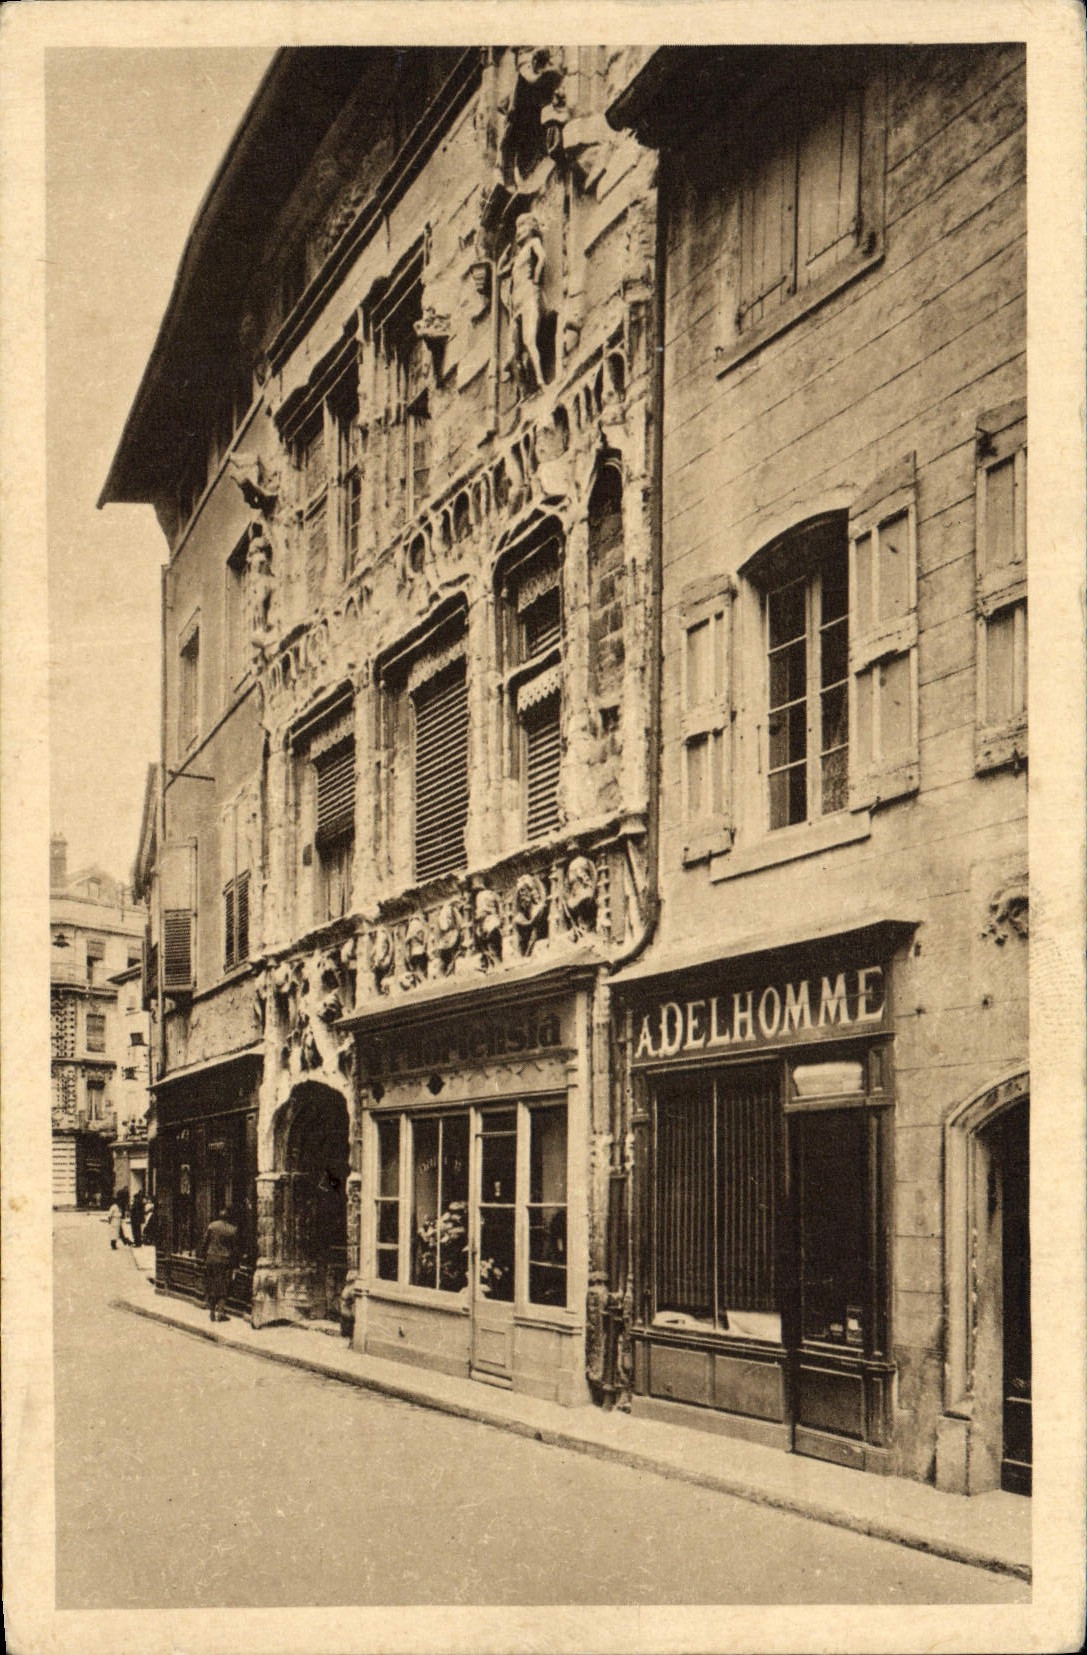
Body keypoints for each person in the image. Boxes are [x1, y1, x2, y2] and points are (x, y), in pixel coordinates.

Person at [198, 1207, 239, 1323]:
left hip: (211, 1259)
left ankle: (211, 1311)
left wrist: (202, 1256)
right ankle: (220, 1312)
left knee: (212, 1285)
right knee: (223, 1286)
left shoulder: (211, 1226)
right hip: (224, 1261)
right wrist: (236, 1263)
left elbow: (205, 1242)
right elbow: (234, 1248)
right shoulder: (232, 1230)